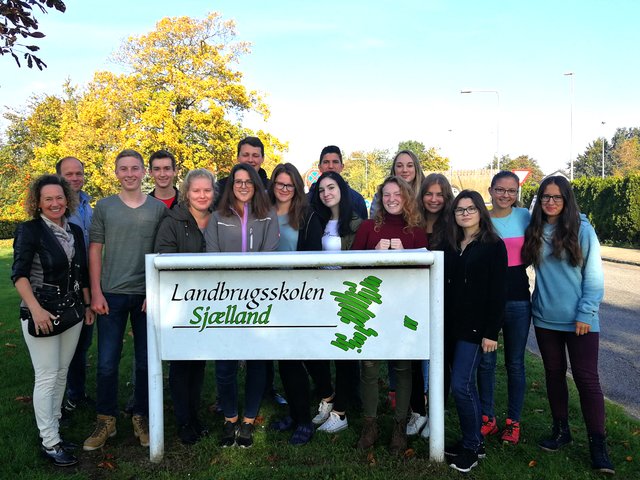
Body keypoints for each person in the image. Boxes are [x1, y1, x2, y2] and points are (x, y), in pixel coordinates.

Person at [522, 176, 615, 475]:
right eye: (546, 197)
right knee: (553, 375)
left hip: (580, 321)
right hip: (546, 319)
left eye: (557, 197)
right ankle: (561, 430)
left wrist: (586, 313)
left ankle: (597, 445)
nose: (551, 202)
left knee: (587, 381)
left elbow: (594, 277)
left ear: (567, 200)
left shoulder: (582, 230)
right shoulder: (535, 231)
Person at [83, 149, 166, 451]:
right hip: (111, 295)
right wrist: (95, 291)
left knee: (145, 361)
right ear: (116, 173)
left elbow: (163, 251)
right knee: (106, 362)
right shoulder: (104, 207)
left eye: (135, 168)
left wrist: (154, 291)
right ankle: (106, 420)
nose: (129, 173)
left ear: (144, 172)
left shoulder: (157, 208)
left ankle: (141, 417)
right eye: (123, 168)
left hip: (146, 296)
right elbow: (95, 249)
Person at [12, 175, 94, 467]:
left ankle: (54, 431)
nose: (55, 203)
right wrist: (34, 309)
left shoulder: (72, 229)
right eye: (48, 199)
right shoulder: (30, 230)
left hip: (71, 311)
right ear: (38, 202)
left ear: (67, 199)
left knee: (61, 373)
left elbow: (81, 272)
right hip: (41, 312)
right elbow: (19, 274)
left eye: (59, 197)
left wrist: (86, 304)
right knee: (46, 376)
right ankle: (49, 442)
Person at [204, 163, 279, 448]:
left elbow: (269, 253)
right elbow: (211, 256)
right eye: (238, 181)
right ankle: (230, 418)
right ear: (231, 184)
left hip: (259, 300)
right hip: (225, 300)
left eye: (249, 181)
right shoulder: (218, 217)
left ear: (257, 185)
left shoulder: (267, 215)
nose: (244, 186)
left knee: (258, 361)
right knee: (225, 364)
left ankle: (248, 421)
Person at [352, 176, 427, 455]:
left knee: (403, 366)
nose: (392, 199)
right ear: (380, 199)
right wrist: (373, 253)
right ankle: (369, 425)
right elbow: (350, 266)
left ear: (406, 197)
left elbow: (424, 271)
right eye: (386, 195)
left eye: (397, 194)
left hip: (404, 308)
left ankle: (399, 427)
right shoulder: (369, 228)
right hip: (371, 307)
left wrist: (406, 254)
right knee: (369, 365)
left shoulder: (416, 231)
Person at [443, 190, 507, 473]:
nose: (465, 213)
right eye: (460, 209)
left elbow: (498, 292)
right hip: (450, 325)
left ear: (481, 211)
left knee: (462, 385)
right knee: (460, 385)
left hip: (475, 328)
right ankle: (474, 441)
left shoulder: (493, 245)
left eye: (470, 208)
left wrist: (491, 332)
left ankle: (471, 446)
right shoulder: (451, 243)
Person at [153, 168, 216, 445]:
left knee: (199, 360)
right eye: (196, 190)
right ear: (187, 192)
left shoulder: (219, 220)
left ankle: (195, 415)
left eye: (207, 190)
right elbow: (164, 259)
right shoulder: (173, 221)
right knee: (181, 363)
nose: (202, 195)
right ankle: (183, 421)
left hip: (211, 302)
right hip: (180, 302)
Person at [267, 163, 325, 446]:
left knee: (296, 358)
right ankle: (294, 411)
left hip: (299, 295)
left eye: (289, 185)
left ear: (297, 188)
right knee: (284, 359)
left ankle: (304, 420)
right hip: (270, 295)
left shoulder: (307, 216)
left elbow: (314, 258)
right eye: (280, 183)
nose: (284, 189)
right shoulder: (262, 213)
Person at [476, 171, 531, 445]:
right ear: (490, 190)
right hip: (487, 302)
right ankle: (487, 418)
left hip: (519, 300)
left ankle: (513, 422)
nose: (505, 195)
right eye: (500, 189)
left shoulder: (525, 217)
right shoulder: (481, 219)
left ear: (517, 192)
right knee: (486, 362)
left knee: (515, 364)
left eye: (511, 190)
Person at [308, 171, 363, 434]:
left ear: (341, 189)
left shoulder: (355, 223)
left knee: (344, 355)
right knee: (315, 349)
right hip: (320, 294)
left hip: (347, 295)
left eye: (331, 187)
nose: (326, 193)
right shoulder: (316, 220)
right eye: (321, 190)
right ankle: (328, 398)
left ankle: (341, 412)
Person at [406, 173, 456, 438]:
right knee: (415, 358)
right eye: (429, 193)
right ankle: (417, 411)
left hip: (444, 301)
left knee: (442, 359)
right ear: (421, 196)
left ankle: (437, 412)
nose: (434, 199)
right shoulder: (412, 223)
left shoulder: (453, 226)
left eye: (439, 194)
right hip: (414, 301)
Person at [55, 157, 95, 414]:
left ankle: (76, 393)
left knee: (82, 343)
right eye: (68, 174)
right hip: (63, 286)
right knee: (62, 347)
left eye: (78, 173)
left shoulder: (87, 206)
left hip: (87, 283)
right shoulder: (57, 207)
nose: (74, 178)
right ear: (59, 176)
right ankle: (64, 397)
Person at [307, 145, 368, 219]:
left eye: (335, 162)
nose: (331, 166)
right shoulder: (306, 201)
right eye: (326, 162)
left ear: (342, 167)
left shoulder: (356, 200)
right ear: (319, 167)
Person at [214, 136, 270, 206]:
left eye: (255, 156)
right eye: (245, 155)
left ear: (262, 159)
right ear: (238, 157)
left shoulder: (271, 188)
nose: (250, 160)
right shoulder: (220, 187)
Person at [369, 150, 425, 217]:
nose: (404, 170)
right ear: (394, 169)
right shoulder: (381, 196)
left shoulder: (426, 194)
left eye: (409, 166)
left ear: (416, 168)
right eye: (399, 166)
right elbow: (374, 222)